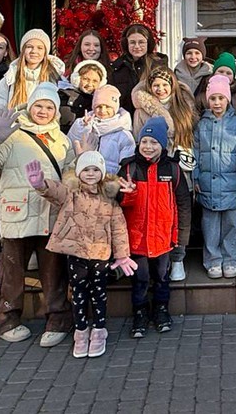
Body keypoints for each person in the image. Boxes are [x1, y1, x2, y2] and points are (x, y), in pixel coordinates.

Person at [0, 82, 75, 346]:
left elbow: (70, 173)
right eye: (39, 105)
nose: (44, 111)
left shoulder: (61, 139)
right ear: (30, 105)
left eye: (50, 107)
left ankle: (57, 319)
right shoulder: (12, 134)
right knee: (12, 271)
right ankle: (5, 320)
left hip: (50, 214)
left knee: (53, 271)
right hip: (17, 213)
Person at [25, 151, 137, 359]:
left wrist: (122, 255)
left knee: (99, 292)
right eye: (86, 169)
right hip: (75, 252)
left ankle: (99, 330)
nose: (91, 173)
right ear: (79, 172)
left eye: (95, 170)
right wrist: (41, 184)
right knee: (78, 293)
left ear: (102, 173)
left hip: (100, 253)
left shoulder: (109, 200)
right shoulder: (71, 193)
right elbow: (54, 191)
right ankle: (81, 330)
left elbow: (119, 228)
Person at [119, 117, 191, 339]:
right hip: (136, 237)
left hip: (163, 237)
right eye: (145, 142)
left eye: (154, 143)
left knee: (162, 276)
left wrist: (181, 236)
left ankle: (161, 309)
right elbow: (118, 205)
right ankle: (139, 312)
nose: (148, 147)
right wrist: (128, 194)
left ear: (162, 145)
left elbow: (183, 205)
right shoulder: (129, 168)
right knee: (140, 278)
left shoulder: (173, 169)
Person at [130, 67, 198, 281]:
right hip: (154, 170)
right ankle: (159, 260)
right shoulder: (142, 110)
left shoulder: (184, 106)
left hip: (181, 169)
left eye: (164, 84)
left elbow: (193, 139)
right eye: (155, 85)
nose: (160, 89)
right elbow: (138, 140)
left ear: (172, 85)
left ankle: (178, 258)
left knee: (181, 214)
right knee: (158, 215)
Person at [192, 75, 236, 279]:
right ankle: (213, 260)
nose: (217, 103)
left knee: (231, 225)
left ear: (228, 99)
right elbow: (196, 153)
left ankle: (230, 260)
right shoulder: (201, 125)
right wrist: (196, 177)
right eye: (213, 98)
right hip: (208, 184)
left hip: (231, 184)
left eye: (221, 98)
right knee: (209, 226)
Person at [66, 85, 136, 173]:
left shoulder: (123, 133)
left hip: (111, 180)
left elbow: (128, 164)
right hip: (87, 177)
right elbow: (71, 145)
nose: (103, 111)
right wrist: (83, 128)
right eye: (99, 107)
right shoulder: (84, 124)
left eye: (107, 107)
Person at [0, 29, 65, 109]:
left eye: (40, 48)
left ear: (45, 52)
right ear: (23, 50)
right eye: (29, 47)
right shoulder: (11, 78)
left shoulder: (55, 77)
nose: (34, 51)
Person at [109, 22, 168, 115]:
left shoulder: (158, 66)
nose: (137, 46)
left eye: (141, 42)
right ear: (126, 44)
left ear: (148, 43)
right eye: (132, 42)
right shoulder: (117, 68)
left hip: (152, 120)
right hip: (125, 122)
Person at [59, 60, 107, 133]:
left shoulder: (101, 102)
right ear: (77, 79)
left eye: (95, 81)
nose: (90, 84)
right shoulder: (63, 96)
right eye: (85, 79)